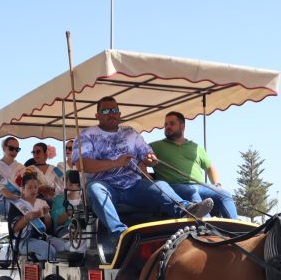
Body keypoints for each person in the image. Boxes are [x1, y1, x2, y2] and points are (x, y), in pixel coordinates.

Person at [71, 96, 213, 240]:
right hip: (105, 185)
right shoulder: (86, 135)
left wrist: (149, 158)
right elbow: (83, 164)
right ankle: (120, 234)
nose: (111, 113)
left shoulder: (130, 133)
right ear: (97, 115)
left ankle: (186, 210)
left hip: (134, 186)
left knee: (160, 185)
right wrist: (115, 163)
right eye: (106, 110)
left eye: (114, 110)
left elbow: (146, 153)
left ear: (119, 114)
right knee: (95, 189)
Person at [150, 111, 238, 219]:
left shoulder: (196, 147)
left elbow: (210, 167)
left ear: (182, 126)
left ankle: (237, 228)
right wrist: (145, 170)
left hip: (201, 185)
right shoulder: (156, 146)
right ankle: (209, 226)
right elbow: (138, 155)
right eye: (166, 124)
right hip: (175, 186)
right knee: (192, 191)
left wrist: (217, 185)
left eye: (172, 124)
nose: (167, 127)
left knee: (225, 194)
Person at [9, 171, 67, 261]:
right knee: (48, 250)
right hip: (24, 241)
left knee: (64, 247)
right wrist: (27, 217)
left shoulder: (42, 202)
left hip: (44, 238)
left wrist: (46, 215)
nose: (33, 190)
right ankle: (37, 263)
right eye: (29, 187)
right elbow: (14, 229)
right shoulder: (17, 204)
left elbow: (48, 228)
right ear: (23, 188)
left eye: (36, 187)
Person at [0, 137, 24, 218]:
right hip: (2, 201)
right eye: (11, 148)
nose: (14, 151)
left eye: (17, 149)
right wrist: (10, 195)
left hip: (20, 200)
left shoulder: (21, 167)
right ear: (4, 148)